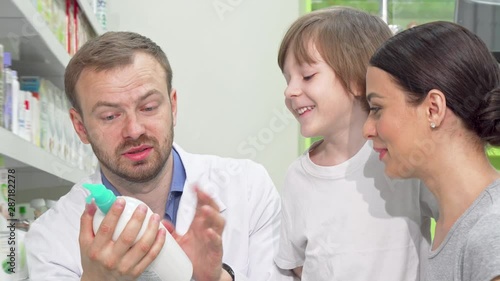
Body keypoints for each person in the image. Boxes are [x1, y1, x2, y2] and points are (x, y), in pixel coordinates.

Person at [25, 31, 292, 281]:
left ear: (173, 106)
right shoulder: (52, 236)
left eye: (149, 107)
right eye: (110, 116)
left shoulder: (247, 187)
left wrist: (215, 278)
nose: (134, 130)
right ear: (80, 127)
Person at [274, 7, 438, 281]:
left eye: (307, 76)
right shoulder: (297, 178)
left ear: (357, 79)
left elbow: (461, 217)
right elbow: (295, 264)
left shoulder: (403, 160)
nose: (290, 90)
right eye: (287, 78)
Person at [363, 21, 500, 281]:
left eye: (377, 108)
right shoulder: (454, 225)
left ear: (433, 109)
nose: (367, 129)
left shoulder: (490, 232)